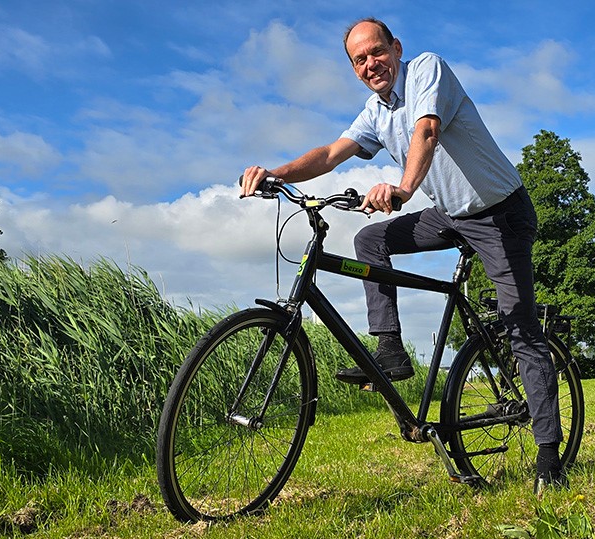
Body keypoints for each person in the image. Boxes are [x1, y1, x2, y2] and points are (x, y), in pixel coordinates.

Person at [240, 18, 565, 492]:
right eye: (360, 60)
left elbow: (427, 130)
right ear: (353, 69)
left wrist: (404, 187)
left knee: (520, 328)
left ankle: (550, 456)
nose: (371, 64)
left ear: (396, 47)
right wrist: (276, 173)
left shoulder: (426, 71)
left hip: (500, 215)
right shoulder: (375, 112)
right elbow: (331, 153)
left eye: (377, 52)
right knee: (370, 242)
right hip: (452, 214)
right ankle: (390, 350)